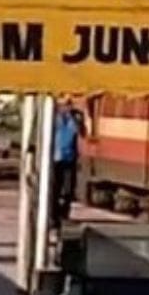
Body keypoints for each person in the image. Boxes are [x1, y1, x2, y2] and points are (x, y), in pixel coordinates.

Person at [50, 97, 86, 228]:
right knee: (55, 189)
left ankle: (64, 213)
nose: (66, 107)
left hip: (69, 158)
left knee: (69, 189)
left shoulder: (76, 117)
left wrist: (78, 122)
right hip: (55, 158)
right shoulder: (52, 116)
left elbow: (83, 133)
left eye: (68, 104)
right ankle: (53, 216)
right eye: (64, 104)